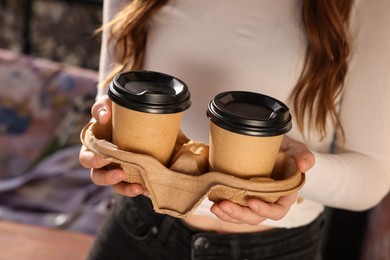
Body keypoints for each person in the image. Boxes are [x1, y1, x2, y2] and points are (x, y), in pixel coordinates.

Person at [79, 0, 390, 259]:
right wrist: (103, 143)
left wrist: (289, 176)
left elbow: (373, 175)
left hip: (271, 250)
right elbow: (115, 95)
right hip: (138, 228)